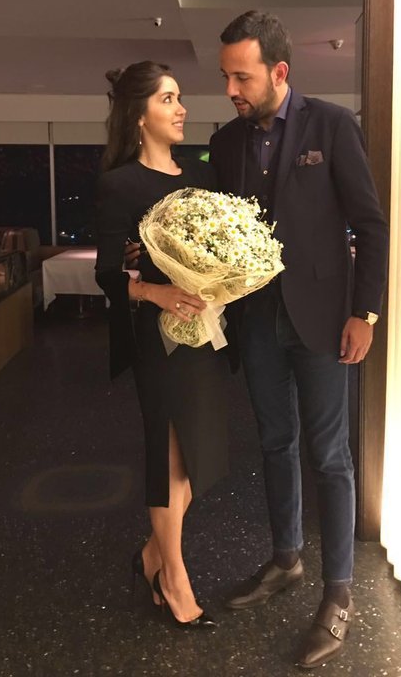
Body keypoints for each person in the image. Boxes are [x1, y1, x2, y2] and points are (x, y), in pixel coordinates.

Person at [209, 11, 390, 668]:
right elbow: (225, 233)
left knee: (331, 456)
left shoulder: (332, 126)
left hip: (322, 320)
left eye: (242, 77)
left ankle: (338, 592)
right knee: (274, 441)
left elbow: (370, 225)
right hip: (257, 321)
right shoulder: (225, 143)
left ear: (279, 71)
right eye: (226, 76)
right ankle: (285, 558)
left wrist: (364, 314)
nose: (231, 88)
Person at [94, 61, 232, 630]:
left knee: (198, 457)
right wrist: (155, 292)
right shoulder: (119, 184)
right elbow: (108, 275)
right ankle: (174, 580)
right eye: (168, 99)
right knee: (170, 454)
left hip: (204, 333)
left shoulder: (199, 178)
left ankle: (152, 557)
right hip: (157, 340)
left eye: (179, 98)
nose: (181, 109)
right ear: (139, 114)